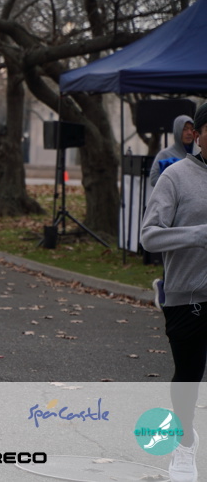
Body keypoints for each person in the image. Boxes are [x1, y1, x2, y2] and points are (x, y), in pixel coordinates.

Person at [140, 101, 207, 482]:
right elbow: (149, 236)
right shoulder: (176, 176)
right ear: (197, 134)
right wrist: (198, 235)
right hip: (188, 296)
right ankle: (184, 444)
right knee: (189, 377)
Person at [148, 114, 196, 311]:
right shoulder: (165, 155)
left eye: (191, 129)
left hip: (193, 211)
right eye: (184, 129)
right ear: (177, 131)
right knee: (174, 252)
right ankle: (164, 287)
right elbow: (153, 178)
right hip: (173, 213)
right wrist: (171, 176)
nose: (188, 133)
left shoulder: (199, 153)